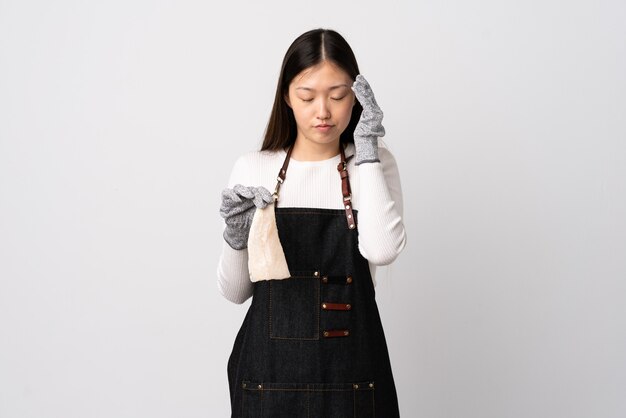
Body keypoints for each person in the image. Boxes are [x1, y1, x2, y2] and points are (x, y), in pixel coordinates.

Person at [217, 28, 407, 417]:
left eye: (338, 96)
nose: (323, 111)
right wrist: (236, 233)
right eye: (307, 96)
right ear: (287, 96)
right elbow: (236, 292)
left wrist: (367, 151)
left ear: (356, 98)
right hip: (268, 382)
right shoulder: (253, 168)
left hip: (353, 382)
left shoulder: (373, 163)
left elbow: (382, 250)